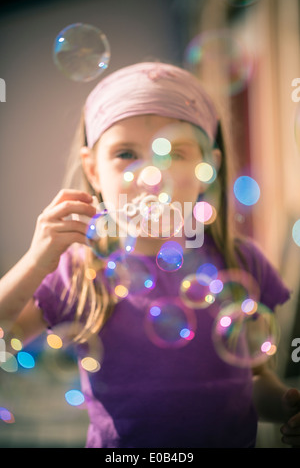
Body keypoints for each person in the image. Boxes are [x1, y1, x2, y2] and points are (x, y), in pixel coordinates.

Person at [0, 61, 300, 448]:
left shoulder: (240, 261)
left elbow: (256, 380)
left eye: (175, 153)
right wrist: (36, 260)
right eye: (126, 153)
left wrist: (287, 404)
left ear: (209, 166)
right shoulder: (78, 270)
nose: (150, 175)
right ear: (93, 170)